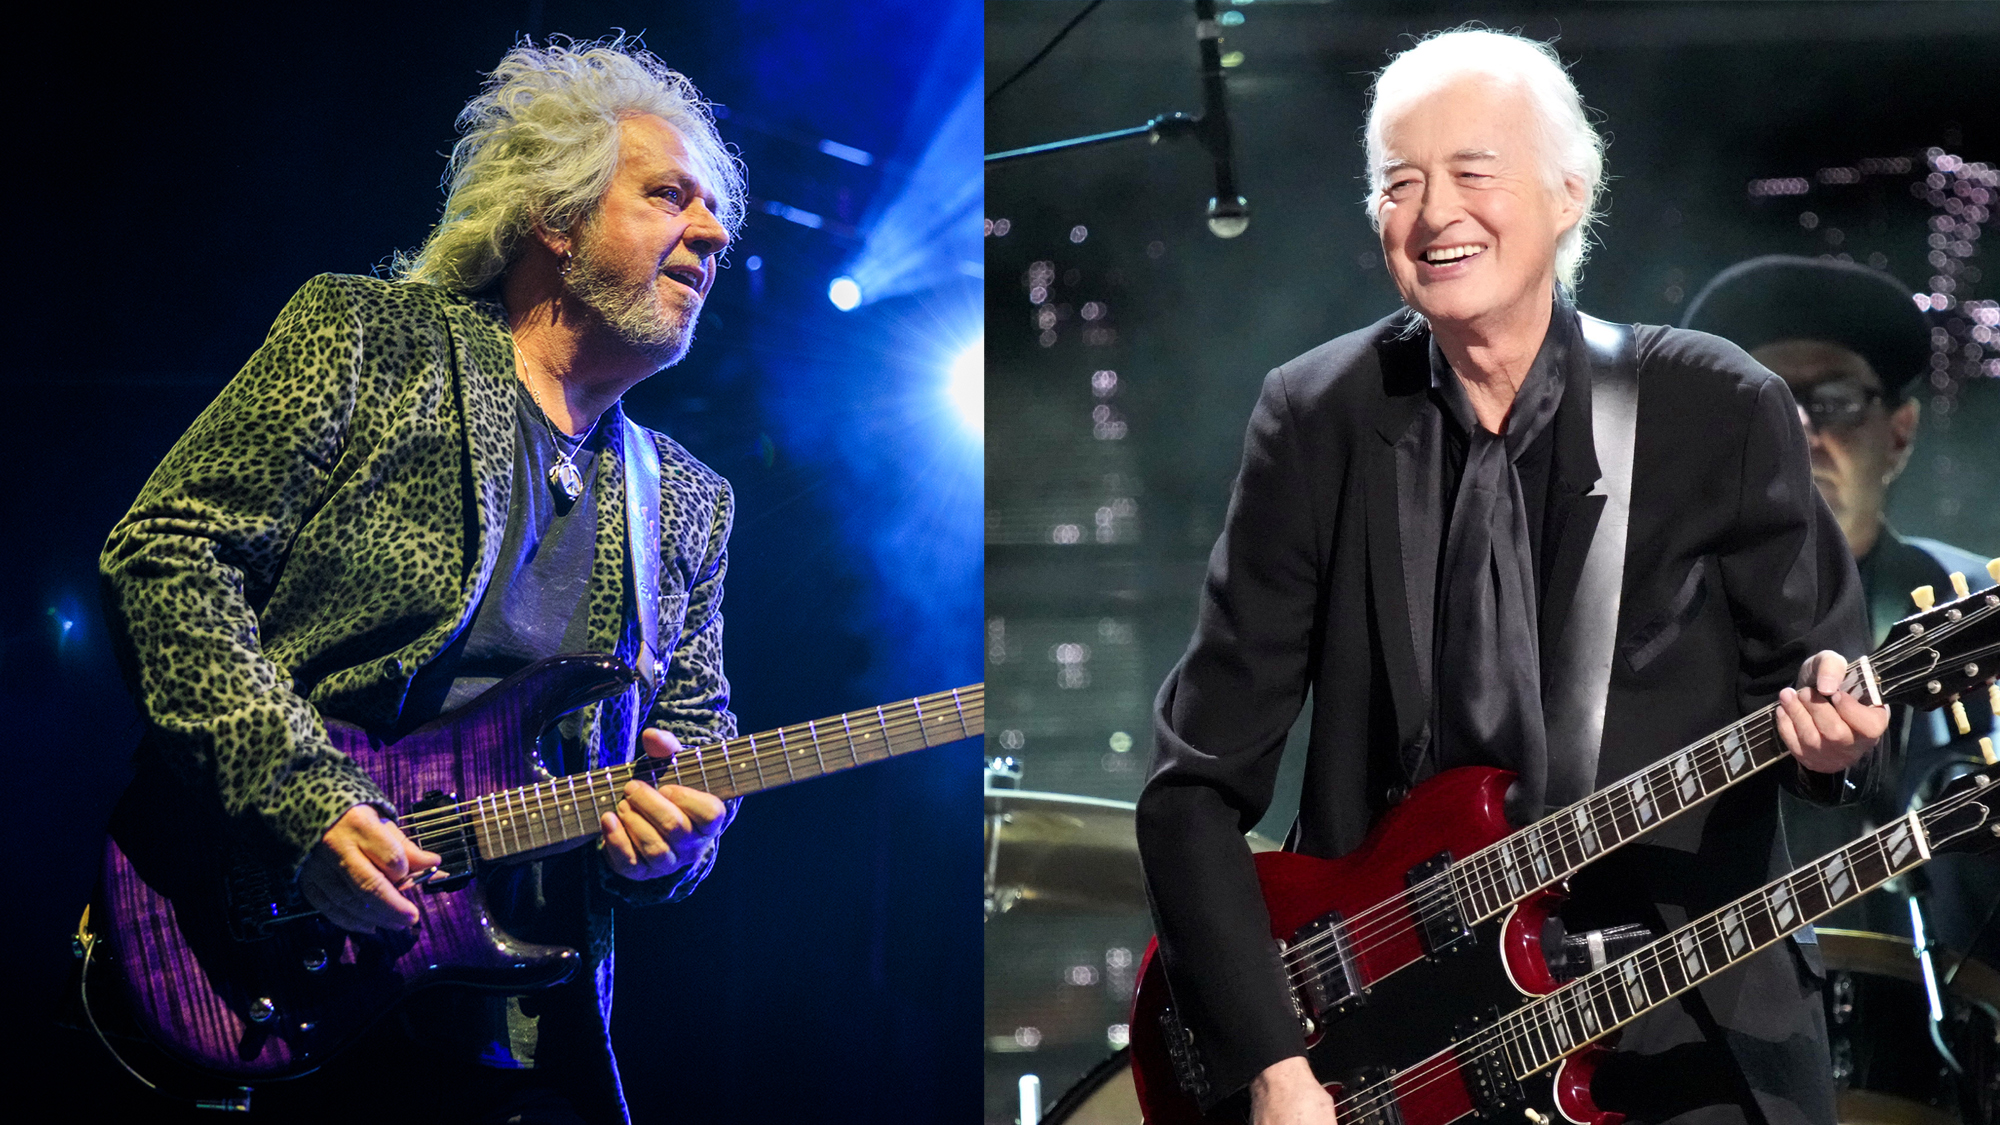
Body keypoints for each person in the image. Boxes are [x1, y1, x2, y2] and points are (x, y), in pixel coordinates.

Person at [1136, 29, 1888, 1125]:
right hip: (1393, 1049)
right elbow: (1192, 786)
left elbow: (1822, 681)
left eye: (1470, 172)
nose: (1433, 212)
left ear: (1567, 192)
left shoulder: (1713, 406)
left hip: (1680, 1026)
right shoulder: (1316, 418)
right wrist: (1271, 1063)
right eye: (1397, 182)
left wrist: (1835, 738)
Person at [98, 38, 745, 1125]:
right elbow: (166, 554)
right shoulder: (369, 339)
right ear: (555, 217)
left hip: (513, 1028)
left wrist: (675, 844)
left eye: (715, 211)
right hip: (249, 953)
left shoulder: (687, 499)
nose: (714, 232)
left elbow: (695, 735)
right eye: (668, 194)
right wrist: (304, 808)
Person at [1684, 256, 1999, 959]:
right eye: (1761, 404)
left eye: (1831, 401)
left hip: (1934, 1028)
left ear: (1899, 433)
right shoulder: (1651, 618)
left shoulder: (1974, 601)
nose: (1797, 431)